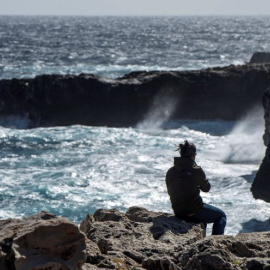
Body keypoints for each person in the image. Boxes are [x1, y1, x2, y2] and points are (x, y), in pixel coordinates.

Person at [165, 140, 226, 235]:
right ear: (193, 155)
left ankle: (202, 238)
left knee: (202, 217)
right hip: (193, 212)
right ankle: (216, 241)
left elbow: (170, 191)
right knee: (221, 216)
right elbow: (206, 188)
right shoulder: (196, 170)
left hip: (178, 212)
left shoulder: (170, 171)